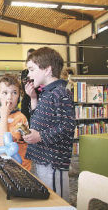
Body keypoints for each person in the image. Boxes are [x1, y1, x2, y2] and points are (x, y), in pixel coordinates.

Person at [23, 47, 75, 202]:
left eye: (31, 69)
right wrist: (33, 98)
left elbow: (67, 126)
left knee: (57, 200)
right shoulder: (46, 92)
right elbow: (38, 118)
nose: (28, 74)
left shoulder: (61, 92)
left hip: (53, 160)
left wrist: (40, 136)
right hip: (43, 157)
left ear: (47, 70)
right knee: (48, 197)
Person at [21, 48, 36, 124]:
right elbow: (23, 87)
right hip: (26, 99)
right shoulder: (24, 72)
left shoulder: (38, 71)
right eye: (28, 57)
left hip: (36, 98)